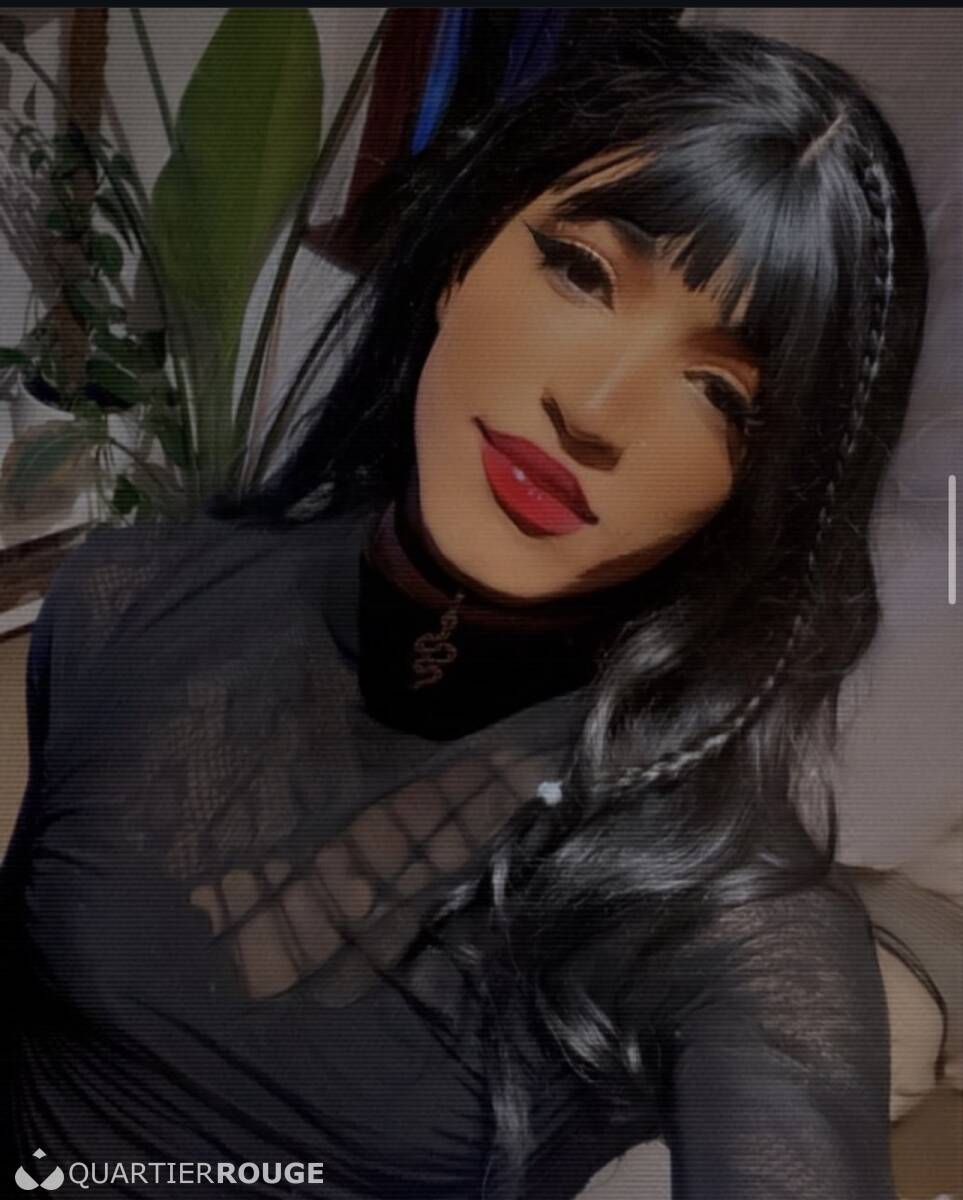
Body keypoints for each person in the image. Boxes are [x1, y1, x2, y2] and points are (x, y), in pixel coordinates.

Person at [0, 20, 928, 1200]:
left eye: (718, 393)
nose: (593, 409)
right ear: (462, 257)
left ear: (767, 485)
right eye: (582, 273)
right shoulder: (127, 598)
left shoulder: (723, 913)